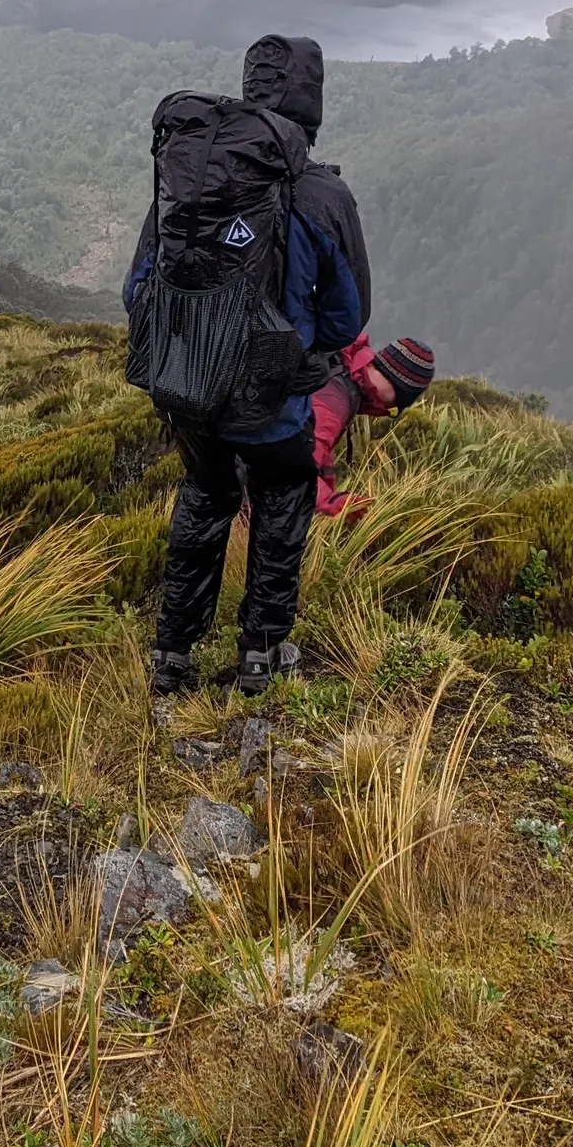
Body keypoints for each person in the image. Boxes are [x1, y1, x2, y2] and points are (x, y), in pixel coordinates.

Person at [126, 34, 369, 696]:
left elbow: (137, 288)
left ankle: (172, 655)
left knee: (206, 495)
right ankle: (261, 653)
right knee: (284, 494)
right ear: (312, 108)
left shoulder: (190, 182)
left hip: (185, 385)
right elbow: (350, 319)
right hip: (271, 394)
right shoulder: (321, 196)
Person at [310, 332, 435, 520]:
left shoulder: (340, 370)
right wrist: (330, 500)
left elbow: (318, 452)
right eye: (398, 403)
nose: (390, 408)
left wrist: (334, 496)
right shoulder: (336, 401)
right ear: (399, 388)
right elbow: (292, 465)